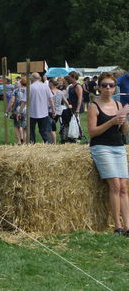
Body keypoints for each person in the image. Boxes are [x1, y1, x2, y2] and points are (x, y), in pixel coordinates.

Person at [87, 72, 129, 235]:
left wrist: (124, 119)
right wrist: (111, 121)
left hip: (118, 146)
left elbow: (123, 131)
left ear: (115, 87)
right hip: (101, 147)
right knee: (115, 185)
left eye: (111, 85)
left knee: (124, 187)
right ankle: (117, 225)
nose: (108, 88)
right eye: (104, 85)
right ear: (98, 87)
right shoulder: (93, 106)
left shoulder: (118, 105)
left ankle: (127, 226)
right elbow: (92, 132)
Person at [28, 72, 55, 144]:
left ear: (32, 78)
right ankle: (48, 143)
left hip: (32, 112)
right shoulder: (45, 86)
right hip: (44, 112)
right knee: (45, 131)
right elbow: (51, 99)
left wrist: (20, 111)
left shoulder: (30, 87)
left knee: (31, 131)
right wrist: (53, 110)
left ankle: (32, 143)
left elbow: (24, 101)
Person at [62, 71, 83, 142]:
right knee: (71, 122)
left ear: (73, 77)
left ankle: (77, 136)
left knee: (77, 121)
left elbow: (80, 98)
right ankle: (72, 136)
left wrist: (78, 109)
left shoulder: (78, 86)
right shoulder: (71, 86)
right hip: (71, 106)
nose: (68, 78)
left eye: (70, 77)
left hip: (76, 106)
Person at [7, 76, 28, 145]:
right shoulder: (30, 90)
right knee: (25, 127)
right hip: (27, 110)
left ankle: (19, 141)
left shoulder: (16, 90)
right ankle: (24, 142)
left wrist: (8, 110)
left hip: (17, 109)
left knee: (16, 126)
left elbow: (12, 101)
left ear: (21, 82)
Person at [49, 79, 69, 144]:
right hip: (59, 112)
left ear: (51, 84)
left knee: (51, 128)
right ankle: (52, 142)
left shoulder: (50, 91)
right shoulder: (60, 92)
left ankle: (53, 143)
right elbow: (65, 101)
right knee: (52, 127)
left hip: (51, 111)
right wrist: (69, 107)